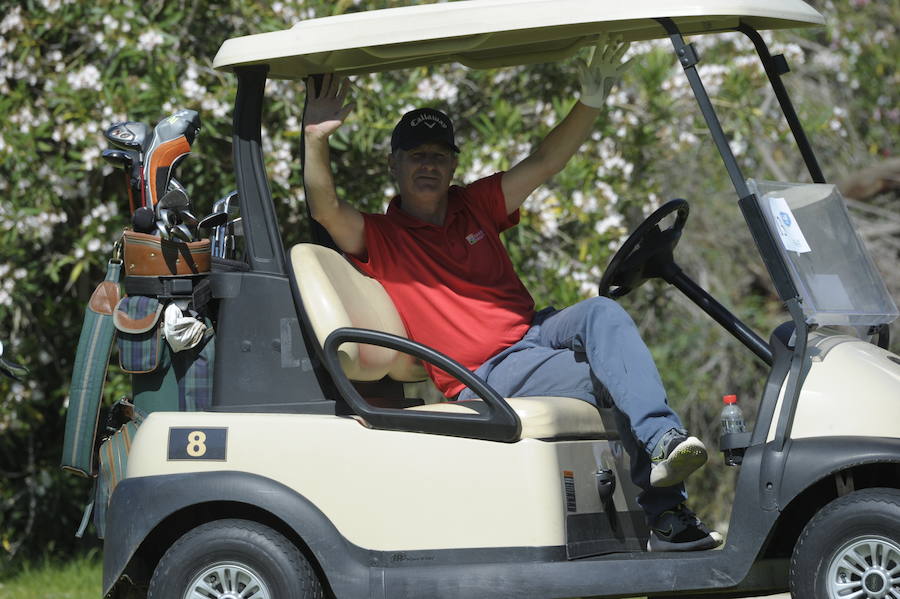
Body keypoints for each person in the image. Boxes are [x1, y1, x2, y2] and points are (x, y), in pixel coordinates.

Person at [302, 37, 722, 552]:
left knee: (603, 314)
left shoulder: (474, 204)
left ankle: (663, 443)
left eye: (438, 155)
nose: (427, 165)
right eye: (416, 156)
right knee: (611, 380)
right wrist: (316, 136)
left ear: (454, 165)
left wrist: (590, 101)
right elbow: (324, 208)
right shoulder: (378, 236)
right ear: (395, 165)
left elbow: (545, 162)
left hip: (535, 333)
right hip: (484, 372)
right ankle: (666, 516)